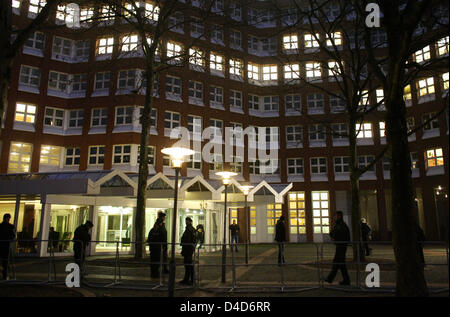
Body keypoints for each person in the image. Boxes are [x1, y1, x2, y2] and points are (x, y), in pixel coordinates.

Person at [325, 211, 351, 285]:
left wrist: (334, 238)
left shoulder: (340, 226)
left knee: (337, 262)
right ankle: (346, 280)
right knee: (341, 264)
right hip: (341, 246)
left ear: (339, 216)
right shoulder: (340, 225)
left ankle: (330, 278)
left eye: (335, 216)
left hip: (341, 247)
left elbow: (339, 236)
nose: (334, 217)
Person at [179, 217, 197, 285]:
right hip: (188, 249)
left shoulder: (190, 229)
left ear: (190, 221)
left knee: (188, 265)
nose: (186, 222)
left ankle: (189, 280)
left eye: (187, 221)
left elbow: (189, 240)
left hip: (188, 250)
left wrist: (185, 244)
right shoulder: (190, 229)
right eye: (186, 221)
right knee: (189, 265)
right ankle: (190, 279)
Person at [0, 214, 16, 280]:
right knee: (5, 261)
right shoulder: (10, 227)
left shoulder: (0, 226)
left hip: (1, 244)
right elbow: (13, 236)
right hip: (6, 245)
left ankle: (4, 275)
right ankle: (5, 275)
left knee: (3, 260)